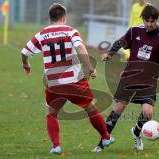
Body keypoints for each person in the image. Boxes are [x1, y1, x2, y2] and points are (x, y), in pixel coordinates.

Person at [21, 3, 114, 154]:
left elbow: (24, 52)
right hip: (74, 81)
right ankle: (105, 137)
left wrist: (26, 64)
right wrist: (89, 68)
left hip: (53, 83)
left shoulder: (41, 34)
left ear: (50, 18)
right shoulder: (71, 31)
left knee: (51, 113)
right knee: (90, 107)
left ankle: (56, 146)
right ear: (64, 18)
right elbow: (80, 48)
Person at [92, 4, 159, 152]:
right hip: (129, 77)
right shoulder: (135, 30)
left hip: (149, 82)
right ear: (142, 19)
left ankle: (136, 132)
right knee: (119, 107)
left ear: (157, 19)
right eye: (147, 20)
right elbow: (120, 42)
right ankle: (102, 142)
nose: (150, 24)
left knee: (148, 113)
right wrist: (110, 54)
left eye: (153, 21)